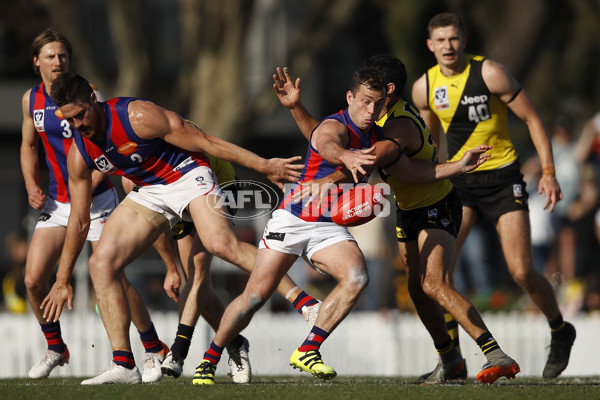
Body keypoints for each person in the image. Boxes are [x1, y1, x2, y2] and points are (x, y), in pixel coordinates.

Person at [40, 71, 305, 385]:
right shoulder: (81, 152)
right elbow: (79, 219)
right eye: (71, 120)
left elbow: (206, 142)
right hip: (154, 191)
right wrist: (61, 278)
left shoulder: (137, 116)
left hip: (193, 175)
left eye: (81, 115)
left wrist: (264, 165)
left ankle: (304, 303)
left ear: (92, 99)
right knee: (102, 264)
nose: (79, 125)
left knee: (218, 250)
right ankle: (125, 363)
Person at [272, 56, 519, 384]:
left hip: (437, 203)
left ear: (387, 90)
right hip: (408, 207)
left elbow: (375, 160)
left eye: (373, 94)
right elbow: (324, 139)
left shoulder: (398, 125)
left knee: (434, 283)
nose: (367, 103)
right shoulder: (374, 122)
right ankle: (451, 361)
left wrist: (326, 181)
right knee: (417, 290)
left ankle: (494, 353)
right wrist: (296, 108)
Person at [190, 67, 388, 385]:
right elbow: (325, 143)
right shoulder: (335, 125)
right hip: (293, 217)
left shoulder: (376, 136)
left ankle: (308, 349)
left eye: (378, 104)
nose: (371, 110)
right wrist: (346, 157)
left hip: (327, 223)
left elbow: (317, 137)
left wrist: (456, 167)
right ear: (350, 97)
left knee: (357, 277)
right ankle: (210, 360)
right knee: (255, 296)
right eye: (366, 101)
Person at [411, 12, 576, 379]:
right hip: (460, 184)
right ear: (430, 45)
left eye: (453, 39)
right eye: (440, 40)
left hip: (502, 179)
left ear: (463, 40)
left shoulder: (490, 73)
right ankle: (452, 361)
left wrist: (548, 172)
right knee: (441, 276)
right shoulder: (424, 87)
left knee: (520, 269)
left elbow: (533, 119)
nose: (448, 46)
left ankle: (560, 330)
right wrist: (429, 178)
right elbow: (430, 138)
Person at [20, 29, 172, 383]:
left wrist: (88, 189)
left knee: (110, 275)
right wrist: (30, 183)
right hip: (59, 202)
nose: (58, 62)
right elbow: (28, 146)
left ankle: (152, 347)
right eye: (51, 56)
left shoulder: (91, 98)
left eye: (63, 56)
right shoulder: (30, 100)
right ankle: (56, 348)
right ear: (36, 62)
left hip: (97, 200)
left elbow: (108, 154)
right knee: (31, 280)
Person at [122, 154, 321, 382]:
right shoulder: (134, 177)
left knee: (213, 255)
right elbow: (153, 221)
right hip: (174, 192)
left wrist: (263, 165)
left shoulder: (166, 138)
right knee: (196, 284)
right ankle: (234, 342)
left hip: (213, 182)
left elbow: (212, 144)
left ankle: (303, 302)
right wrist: (170, 267)